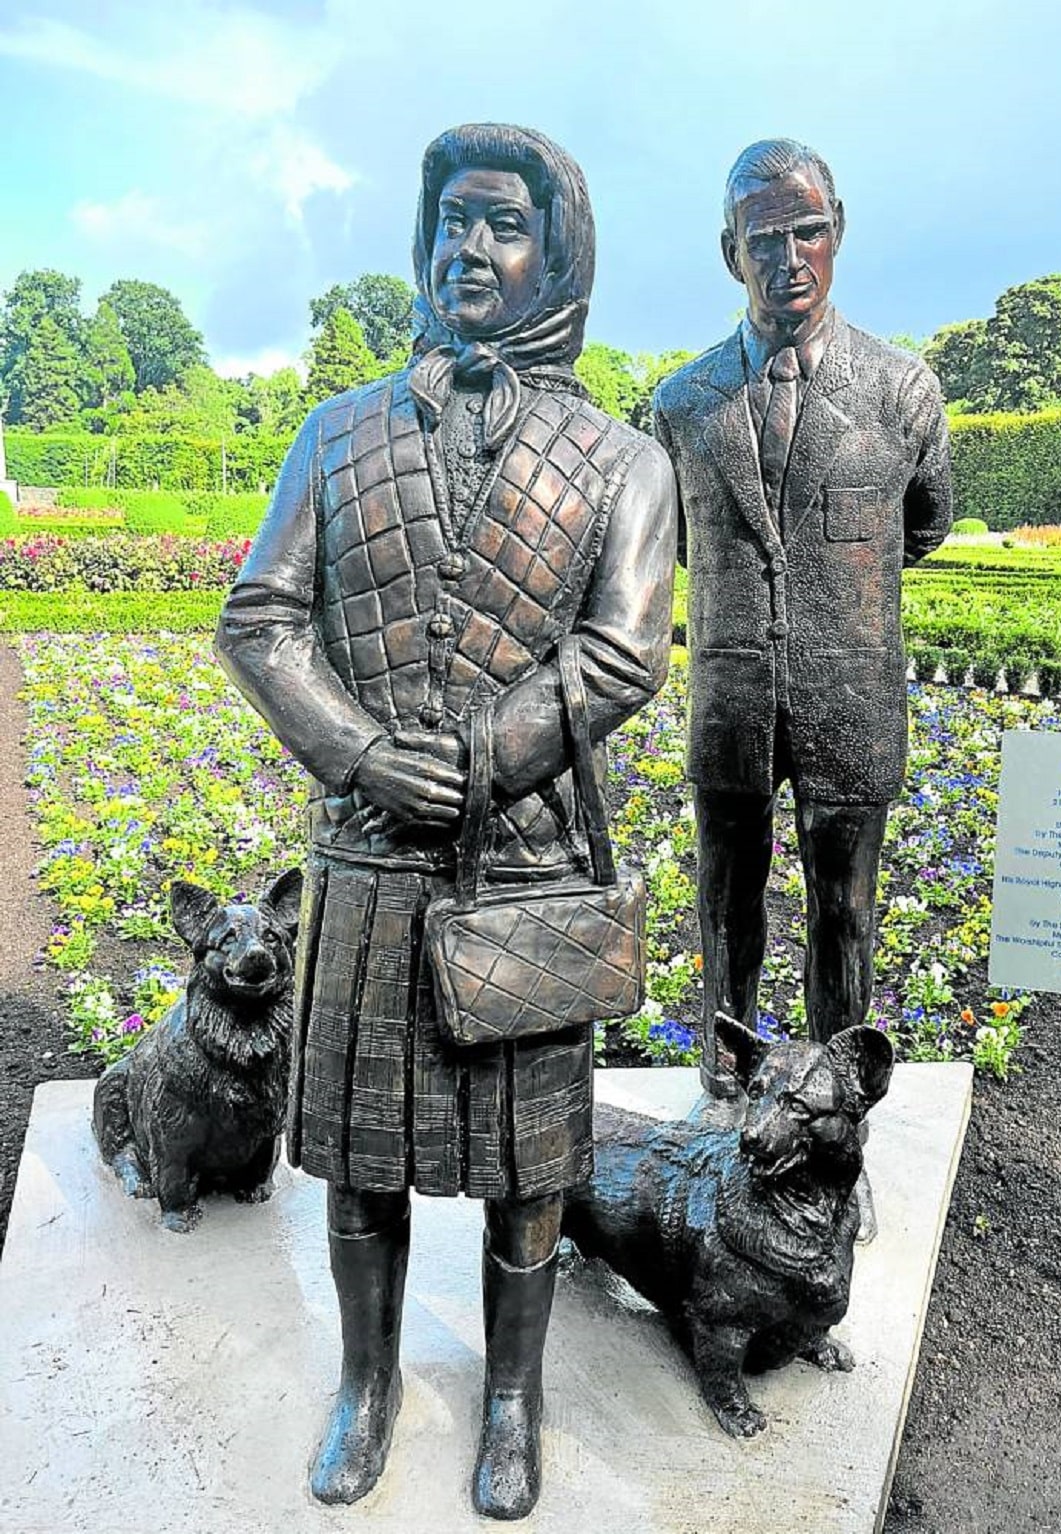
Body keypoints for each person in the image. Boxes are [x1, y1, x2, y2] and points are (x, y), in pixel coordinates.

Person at [216, 122, 676, 1520]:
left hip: (518, 864)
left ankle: (515, 1399)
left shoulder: (620, 459)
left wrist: (474, 760)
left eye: (503, 227)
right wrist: (357, 751)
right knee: (363, 1151)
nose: (469, 251)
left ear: (558, 254)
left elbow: (620, 652)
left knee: (525, 1166)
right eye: (453, 224)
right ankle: (367, 1385)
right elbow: (263, 615)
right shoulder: (336, 432)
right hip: (366, 860)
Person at [652, 139, 952, 1231]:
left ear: (840, 229)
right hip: (730, 704)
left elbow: (924, 524)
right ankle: (725, 1102)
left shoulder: (903, 390)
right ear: (730, 250)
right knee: (725, 913)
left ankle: (836, 1137)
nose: (791, 256)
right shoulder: (682, 404)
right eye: (766, 236)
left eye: (809, 229)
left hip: (852, 701)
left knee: (847, 920)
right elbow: (680, 546)